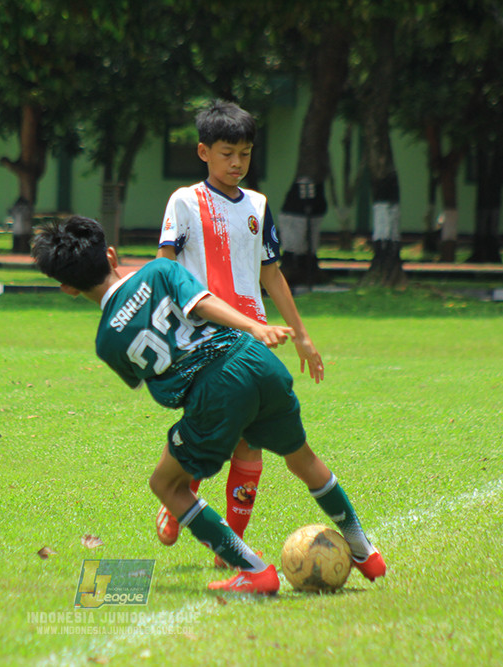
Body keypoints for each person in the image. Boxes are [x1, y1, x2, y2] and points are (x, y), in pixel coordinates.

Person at [31, 216, 385, 593]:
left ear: (68, 288)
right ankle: (364, 551)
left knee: (166, 484)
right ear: (111, 254)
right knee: (303, 459)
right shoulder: (161, 270)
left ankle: (252, 569)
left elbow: (146, 377)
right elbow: (203, 302)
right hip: (254, 359)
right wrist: (254, 327)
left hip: (214, 391)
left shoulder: (106, 342)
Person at [155, 100, 325, 563]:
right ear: (203, 152)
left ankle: (230, 544)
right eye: (228, 153)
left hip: (251, 339)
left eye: (245, 154)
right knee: (210, 432)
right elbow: (164, 270)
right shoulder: (185, 201)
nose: (237, 163)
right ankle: (179, 495)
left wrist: (302, 335)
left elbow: (272, 275)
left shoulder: (258, 206)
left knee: (249, 439)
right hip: (201, 340)